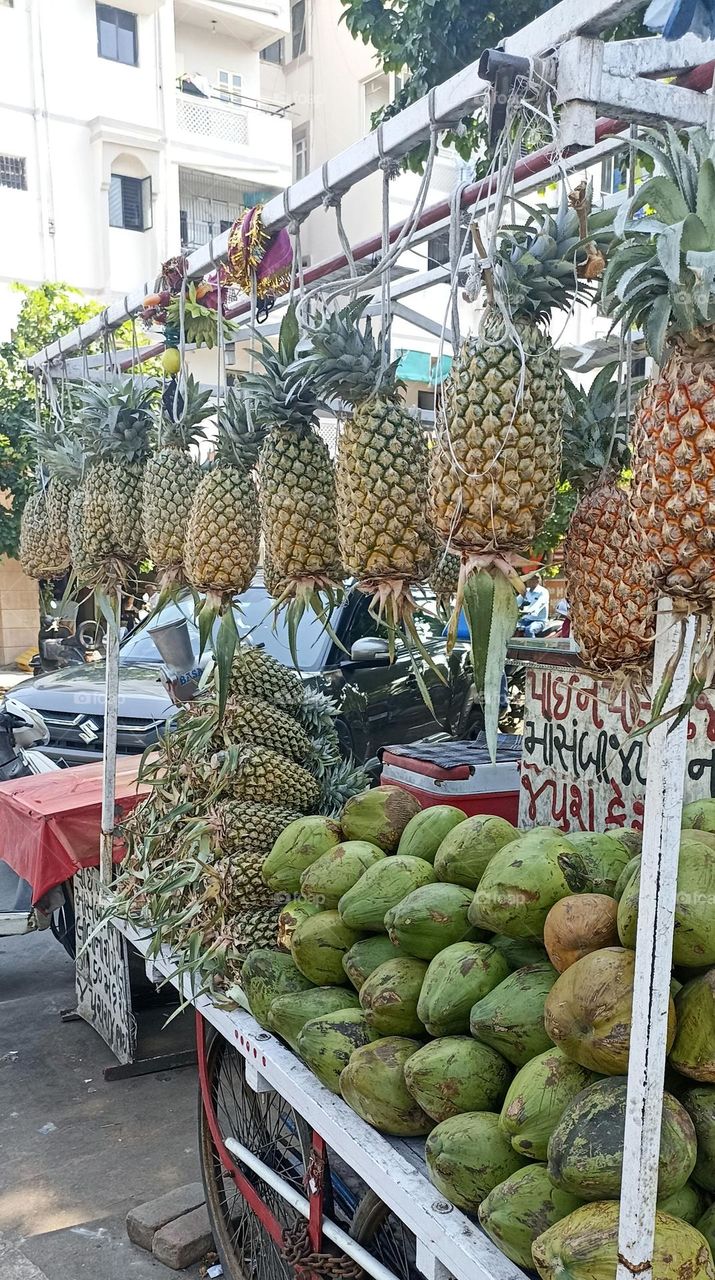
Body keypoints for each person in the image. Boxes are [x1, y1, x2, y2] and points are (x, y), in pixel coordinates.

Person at [517, 572, 550, 638]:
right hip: (525, 620)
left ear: (537, 580)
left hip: (539, 621)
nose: (528, 581)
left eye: (530, 579)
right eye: (527, 579)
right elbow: (516, 602)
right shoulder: (526, 591)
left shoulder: (543, 592)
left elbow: (540, 604)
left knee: (529, 630)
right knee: (511, 628)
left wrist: (531, 610)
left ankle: (532, 644)